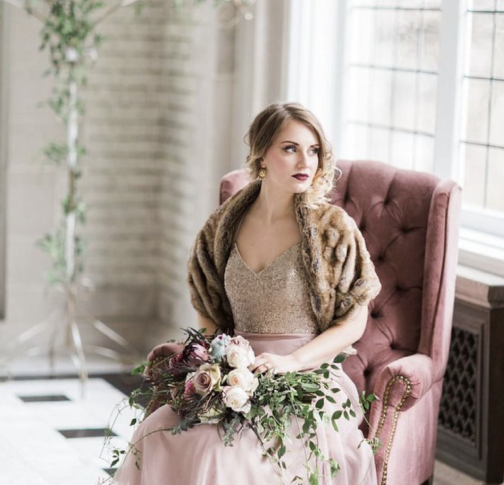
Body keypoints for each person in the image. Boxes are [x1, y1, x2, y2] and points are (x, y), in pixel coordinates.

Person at [113, 102, 381, 485]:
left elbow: (354, 321)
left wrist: (292, 362)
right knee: (158, 433)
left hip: (305, 380)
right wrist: (215, 369)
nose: (305, 160)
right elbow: (209, 313)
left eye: (313, 149)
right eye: (290, 148)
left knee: (225, 456)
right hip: (233, 374)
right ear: (262, 155)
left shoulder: (332, 228)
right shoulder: (222, 226)